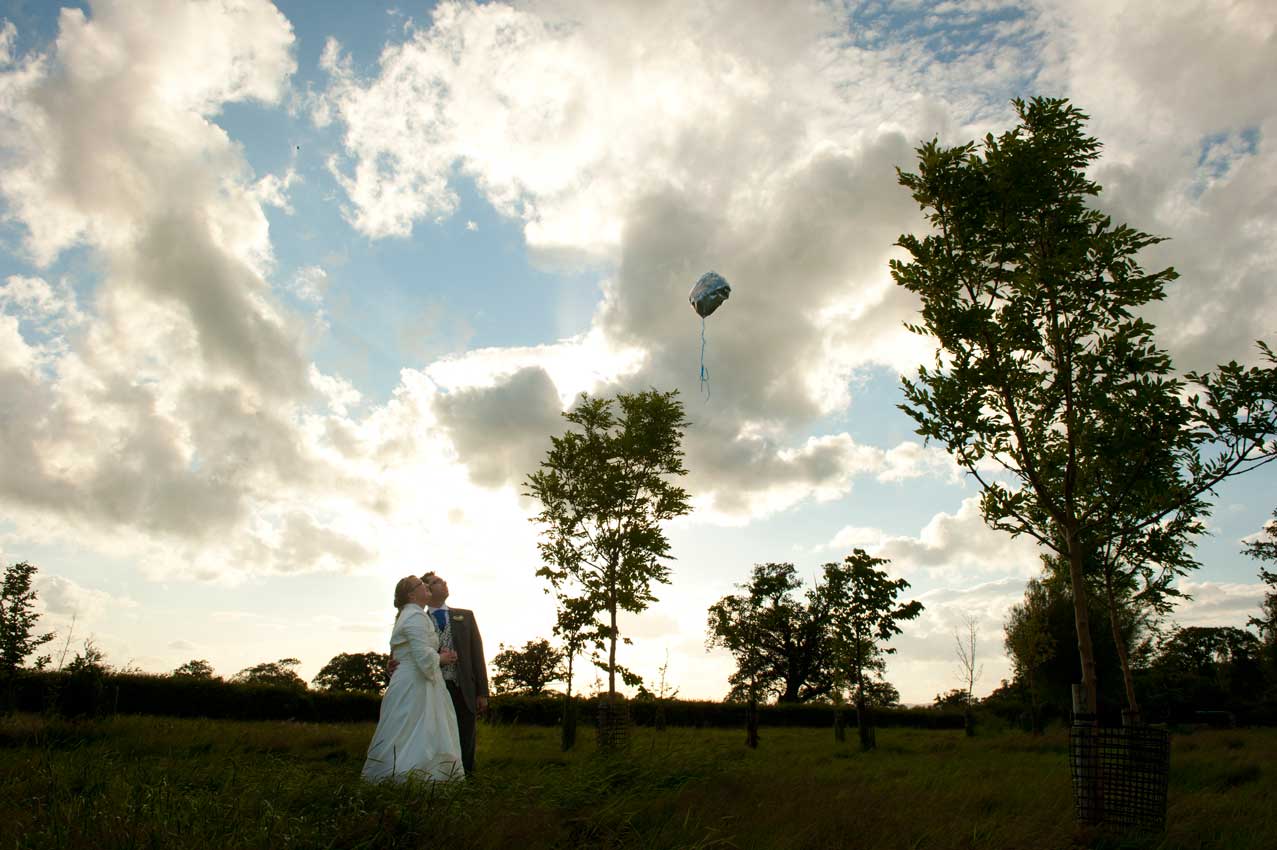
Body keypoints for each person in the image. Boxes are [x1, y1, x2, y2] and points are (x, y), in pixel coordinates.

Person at [361, 575, 464, 783]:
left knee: (408, 731)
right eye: (420, 584)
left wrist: (436, 651)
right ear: (411, 595)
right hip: (417, 684)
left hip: (415, 680)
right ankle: (411, 779)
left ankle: (407, 779)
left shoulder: (409, 615)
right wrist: (441, 658)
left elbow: (413, 649)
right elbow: (423, 658)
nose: (425, 586)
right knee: (416, 732)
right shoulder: (415, 616)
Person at [388, 571, 489, 775]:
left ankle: (466, 779)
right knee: (434, 737)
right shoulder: (414, 616)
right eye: (435, 582)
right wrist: (388, 668)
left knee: (465, 735)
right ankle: (437, 776)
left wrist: (482, 692)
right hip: (428, 687)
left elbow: (477, 654)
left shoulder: (465, 616)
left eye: (442, 580)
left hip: (463, 687)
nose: (443, 582)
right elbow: (400, 654)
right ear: (426, 589)